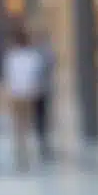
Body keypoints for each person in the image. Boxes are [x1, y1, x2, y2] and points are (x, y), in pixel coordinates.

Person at [3, 29, 44, 171]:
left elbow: (8, 75)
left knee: (18, 127)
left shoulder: (12, 56)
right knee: (26, 126)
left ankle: (20, 155)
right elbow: (37, 75)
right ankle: (24, 155)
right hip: (28, 94)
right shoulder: (32, 56)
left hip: (17, 94)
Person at [32, 29, 56, 160]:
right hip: (39, 91)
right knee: (41, 117)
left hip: (41, 90)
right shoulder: (39, 52)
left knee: (41, 117)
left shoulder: (40, 52)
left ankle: (43, 141)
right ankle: (42, 141)